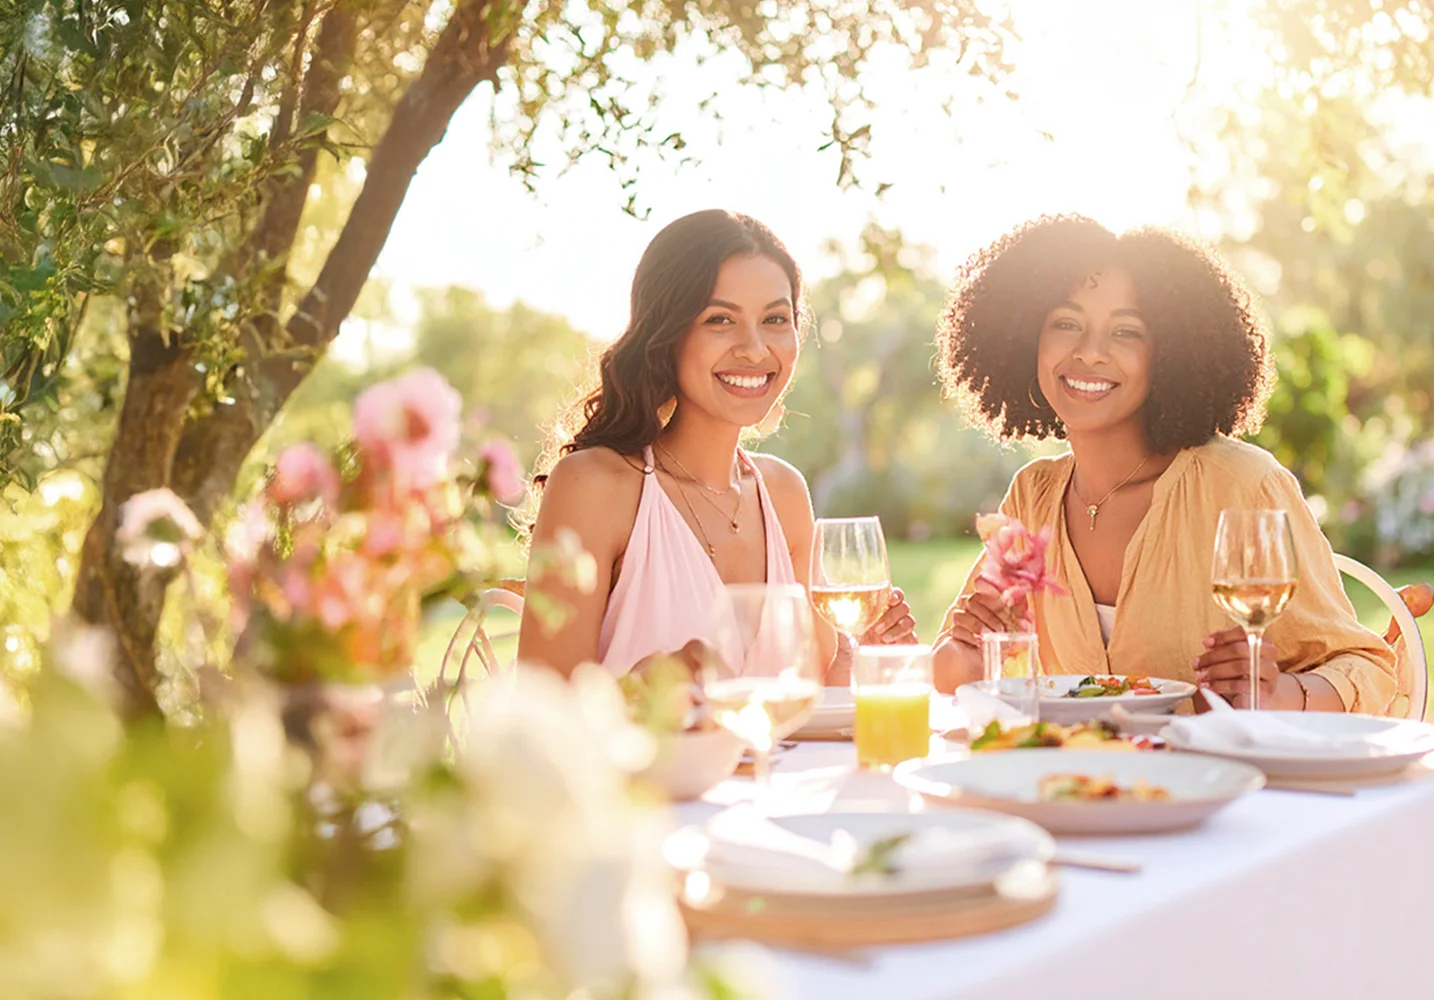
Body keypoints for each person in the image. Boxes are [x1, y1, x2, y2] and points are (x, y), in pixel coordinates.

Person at [931, 215, 1400, 713]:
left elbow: (1368, 667)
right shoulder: (1034, 495)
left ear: (1171, 353)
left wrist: (1279, 692)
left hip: (1225, 786)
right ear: (1028, 338)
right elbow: (951, 673)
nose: (1090, 352)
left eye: (1126, 331)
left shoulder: (1242, 485)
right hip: (1085, 783)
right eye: (1066, 323)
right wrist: (974, 649)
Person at [517, 209, 916, 679]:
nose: (753, 348)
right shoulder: (594, 486)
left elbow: (812, 692)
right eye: (720, 319)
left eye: (774, 318)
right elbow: (541, 711)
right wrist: (645, 687)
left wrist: (868, 653)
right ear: (665, 333)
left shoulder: (784, 494)